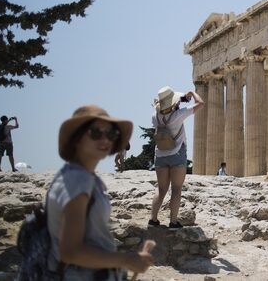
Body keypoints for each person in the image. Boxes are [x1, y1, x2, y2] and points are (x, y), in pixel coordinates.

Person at [47, 105, 153, 279]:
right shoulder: (77, 181)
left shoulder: (86, 178)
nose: (105, 139)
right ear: (77, 138)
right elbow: (71, 252)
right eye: (95, 133)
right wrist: (126, 260)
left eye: (111, 134)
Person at [149, 86, 204, 229]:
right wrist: (191, 94)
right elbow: (200, 104)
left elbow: (163, 108)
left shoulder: (155, 116)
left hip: (160, 155)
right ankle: (173, 222)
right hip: (177, 154)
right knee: (176, 189)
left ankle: (153, 219)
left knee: (161, 189)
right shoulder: (179, 115)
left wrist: (178, 100)